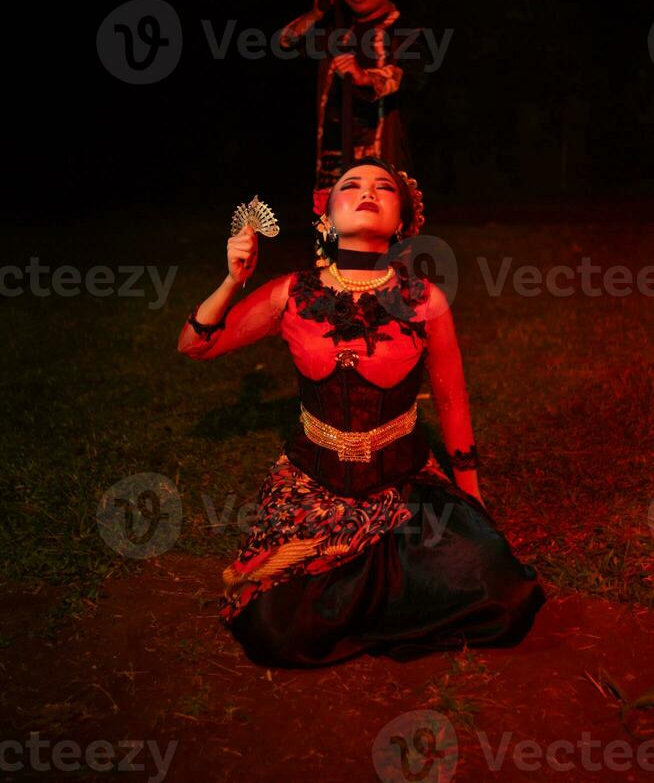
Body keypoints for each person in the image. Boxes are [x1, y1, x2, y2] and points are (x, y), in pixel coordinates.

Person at [177, 158, 547, 668]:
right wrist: (232, 279)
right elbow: (195, 346)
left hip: (402, 484)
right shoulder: (293, 293)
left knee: (504, 594)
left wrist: (472, 498)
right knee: (275, 631)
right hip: (314, 485)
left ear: (401, 223)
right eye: (351, 185)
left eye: (383, 187)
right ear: (327, 218)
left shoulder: (424, 301)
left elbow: (452, 401)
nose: (367, 191)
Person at [279, 0, 430, 217]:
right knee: (332, 245)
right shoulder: (336, 31)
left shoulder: (407, 31)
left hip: (387, 159)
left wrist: (365, 77)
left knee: (384, 244)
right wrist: (316, 14)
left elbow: (413, 78)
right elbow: (286, 43)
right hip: (335, 161)